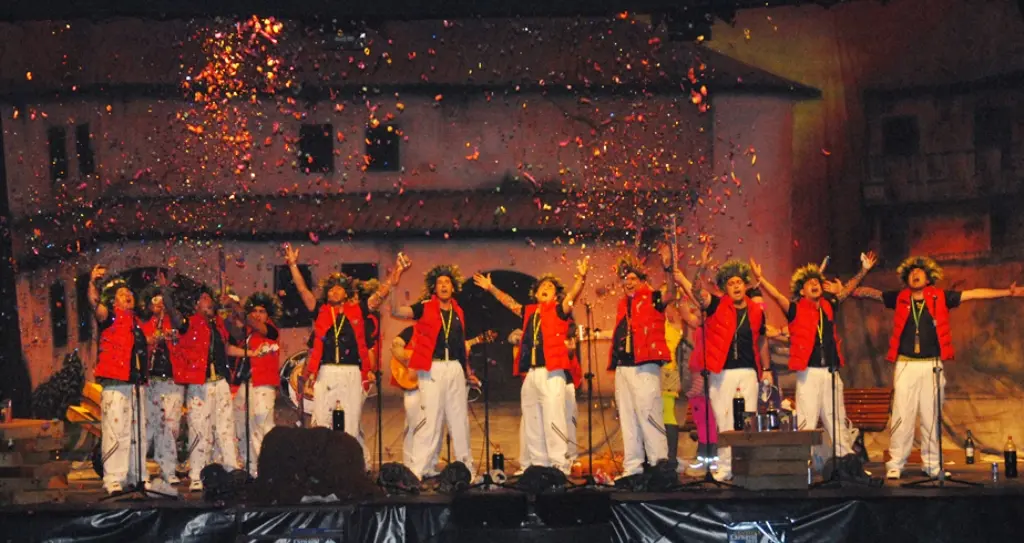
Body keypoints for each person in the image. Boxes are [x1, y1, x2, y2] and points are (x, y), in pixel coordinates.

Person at [851, 256, 1024, 479]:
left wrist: (1006, 292)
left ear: (928, 277)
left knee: (931, 416)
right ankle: (895, 464)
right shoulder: (900, 298)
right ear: (906, 278)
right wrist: (857, 277)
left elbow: (973, 294)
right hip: (906, 364)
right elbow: (866, 293)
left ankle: (932, 465)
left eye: (920, 272)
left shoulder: (940, 297)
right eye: (911, 272)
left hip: (932, 365)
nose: (915, 274)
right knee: (902, 416)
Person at [751, 252, 876, 469]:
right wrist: (761, 281)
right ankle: (801, 463)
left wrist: (863, 271)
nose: (814, 284)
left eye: (817, 282)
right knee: (806, 420)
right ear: (801, 291)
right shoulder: (795, 309)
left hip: (830, 372)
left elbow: (845, 292)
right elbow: (778, 296)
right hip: (808, 373)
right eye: (809, 283)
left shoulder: (828, 306)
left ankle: (846, 462)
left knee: (836, 419)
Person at [284, 245, 411, 458]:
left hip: (352, 373)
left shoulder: (358, 310)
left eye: (339, 288)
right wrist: (293, 265)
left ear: (346, 292)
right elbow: (303, 290)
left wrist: (395, 273)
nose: (334, 291)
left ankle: (353, 465)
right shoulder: (321, 311)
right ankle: (322, 465)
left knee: (350, 423)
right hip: (325, 373)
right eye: (331, 288)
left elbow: (380, 294)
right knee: (321, 421)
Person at [474, 258, 589, 474]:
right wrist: (491, 288)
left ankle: (559, 466)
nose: (546, 288)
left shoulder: (558, 310)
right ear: (536, 293)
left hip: (552, 372)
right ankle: (537, 465)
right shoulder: (529, 312)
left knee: (554, 419)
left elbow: (572, 297)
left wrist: (580, 279)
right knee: (532, 421)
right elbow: (509, 302)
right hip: (531, 374)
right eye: (543, 286)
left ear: (555, 295)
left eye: (550, 287)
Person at [674, 257, 769, 482]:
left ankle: (745, 466)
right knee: (725, 420)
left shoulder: (756, 310)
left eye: (739, 282)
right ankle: (726, 466)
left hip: (748, 372)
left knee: (747, 420)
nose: (736, 286)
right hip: (721, 372)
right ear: (725, 288)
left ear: (746, 285)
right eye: (731, 283)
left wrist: (767, 369)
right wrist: (700, 268)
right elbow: (697, 294)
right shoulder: (717, 304)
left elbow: (762, 340)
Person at [392, 264, 477, 479]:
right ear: (434, 288)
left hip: (455, 368)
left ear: (453, 287)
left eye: (447, 282)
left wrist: (468, 372)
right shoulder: (425, 306)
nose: (443, 285)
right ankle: (420, 468)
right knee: (430, 419)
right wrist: (394, 283)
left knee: (459, 420)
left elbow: (459, 345)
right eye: (439, 283)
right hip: (432, 368)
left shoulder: (459, 311)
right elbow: (396, 311)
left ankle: (465, 468)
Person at [174, 284, 256, 492]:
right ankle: (196, 474)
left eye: (209, 298)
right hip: (199, 383)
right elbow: (175, 320)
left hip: (220, 382)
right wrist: (167, 292)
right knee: (199, 428)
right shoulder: (189, 323)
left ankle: (231, 469)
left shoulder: (219, 323)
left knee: (225, 427)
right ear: (196, 304)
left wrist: (233, 305)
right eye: (204, 298)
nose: (208, 301)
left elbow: (236, 337)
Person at [608, 251, 677, 478]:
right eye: (625, 279)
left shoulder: (654, 297)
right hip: (623, 368)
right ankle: (632, 468)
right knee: (628, 419)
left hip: (645, 366)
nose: (628, 282)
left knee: (649, 415)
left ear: (642, 281)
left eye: (633, 279)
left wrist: (668, 270)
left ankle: (659, 466)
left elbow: (672, 294)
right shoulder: (621, 305)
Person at [88, 265, 150, 495]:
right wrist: (93, 283)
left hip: (136, 384)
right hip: (115, 383)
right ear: (113, 302)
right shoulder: (110, 317)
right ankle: (113, 479)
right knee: (115, 432)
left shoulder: (137, 324)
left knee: (137, 434)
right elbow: (95, 305)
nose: (128, 296)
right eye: (122, 295)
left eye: (130, 294)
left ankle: (138, 475)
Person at [139, 275, 185, 485]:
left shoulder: (175, 320)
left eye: (162, 300)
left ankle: (168, 468)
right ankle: (141, 471)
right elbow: (143, 342)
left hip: (174, 380)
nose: (158, 304)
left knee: (171, 426)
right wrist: (156, 336)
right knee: (150, 426)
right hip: (153, 381)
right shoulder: (144, 323)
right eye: (154, 301)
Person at [231, 292, 283, 478]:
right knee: (247, 427)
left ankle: (270, 468)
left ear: (268, 315)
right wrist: (229, 311)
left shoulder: (271, 330)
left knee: (264, 426)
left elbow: (254, 324)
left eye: (261, 311)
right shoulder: (248, 333)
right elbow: (233, 333)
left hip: (264, 384)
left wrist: (238, 309)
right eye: (254, 311)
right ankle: (252, 468)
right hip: (246, 384)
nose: (257, 315)